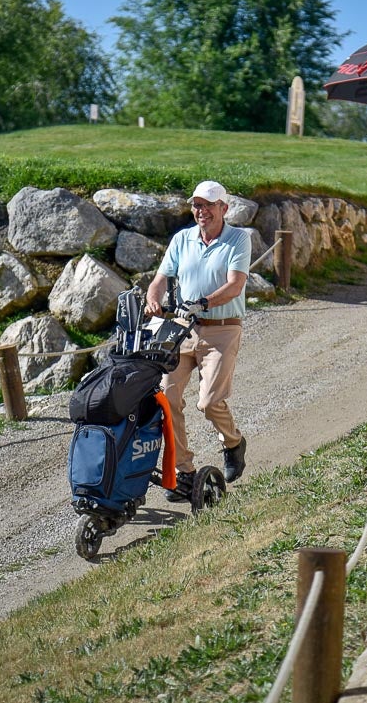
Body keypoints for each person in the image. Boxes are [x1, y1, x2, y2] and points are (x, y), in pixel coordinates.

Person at [145, 180, 251, 501]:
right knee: (167, 397)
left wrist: (204, 302)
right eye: (196, 205)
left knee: (209, 403)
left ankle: (233, 443)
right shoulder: (182, 238)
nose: (200, 211)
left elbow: (234, 286)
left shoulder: (238, 240)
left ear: (224, 208)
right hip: (182, 327)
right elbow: (161, 279)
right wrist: (153, 298)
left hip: (222, 328)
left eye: (207, 205)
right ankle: (184, 472)